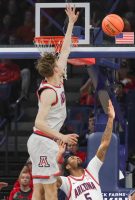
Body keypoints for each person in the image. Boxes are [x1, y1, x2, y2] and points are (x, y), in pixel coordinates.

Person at [26, 5, 79, 200]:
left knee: (39, 190)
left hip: (43, 142)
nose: (61, 61)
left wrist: (71, 24)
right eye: (58, 63)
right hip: (43, 141)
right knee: (50, 190)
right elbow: (39, 122)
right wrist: (62, 137)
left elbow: (65, 49)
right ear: (55, 70)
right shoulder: (49, 92)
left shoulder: (57, 76)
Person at [56, 100, 115, 200]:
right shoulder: (67, 182)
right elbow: (49, 177)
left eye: (75, 156)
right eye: (72, 158)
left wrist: (110, 119)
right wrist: (58, 157)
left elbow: (104, 144)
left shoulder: (91, 170)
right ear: (67, 166)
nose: (76, 157)